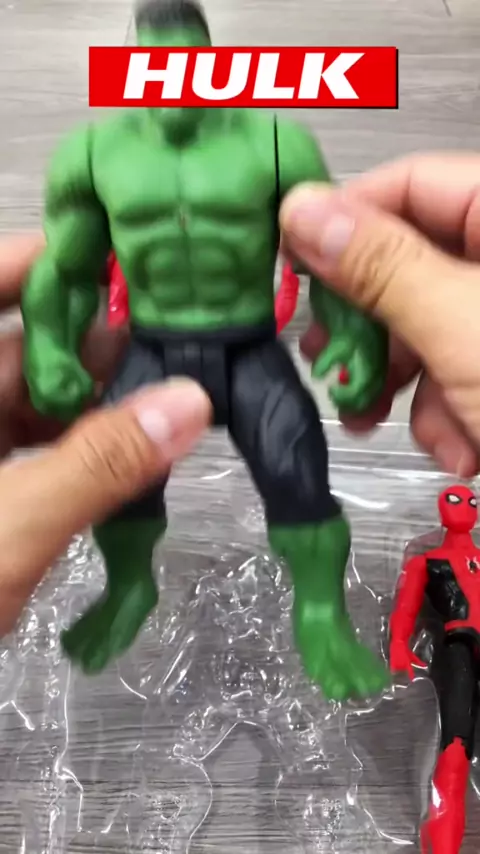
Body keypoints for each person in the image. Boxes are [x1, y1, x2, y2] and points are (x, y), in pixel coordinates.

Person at [0, 150, 478, 662]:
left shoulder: (268, 175)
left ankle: (320, 610)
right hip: (151, 352)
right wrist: (50, 349)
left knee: (297, 472)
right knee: (126, 496)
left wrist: (355, 340)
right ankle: (129, 586)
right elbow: (56, 274)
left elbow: (320, 269)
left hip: (249, 357)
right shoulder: (111, 181)